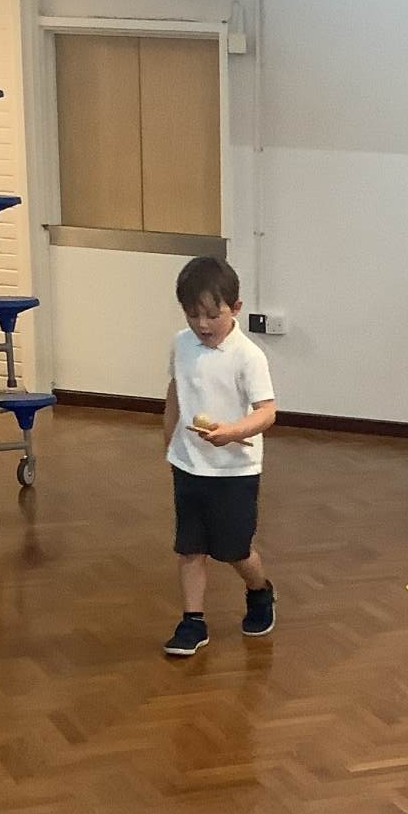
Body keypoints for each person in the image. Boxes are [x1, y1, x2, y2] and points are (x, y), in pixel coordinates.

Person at [161, 255, 277, 656]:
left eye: (213, 315)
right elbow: (175, 393)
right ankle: (192, 621)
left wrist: (233, 432)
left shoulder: (249, 356)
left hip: (235, 472)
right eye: (193, 315)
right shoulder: (181, 344)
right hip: (188, 465)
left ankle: (260, 590)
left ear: (236, 308)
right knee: (190, 547)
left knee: (234, 550)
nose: (203, 324)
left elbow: (267, 412)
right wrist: (169, 443)